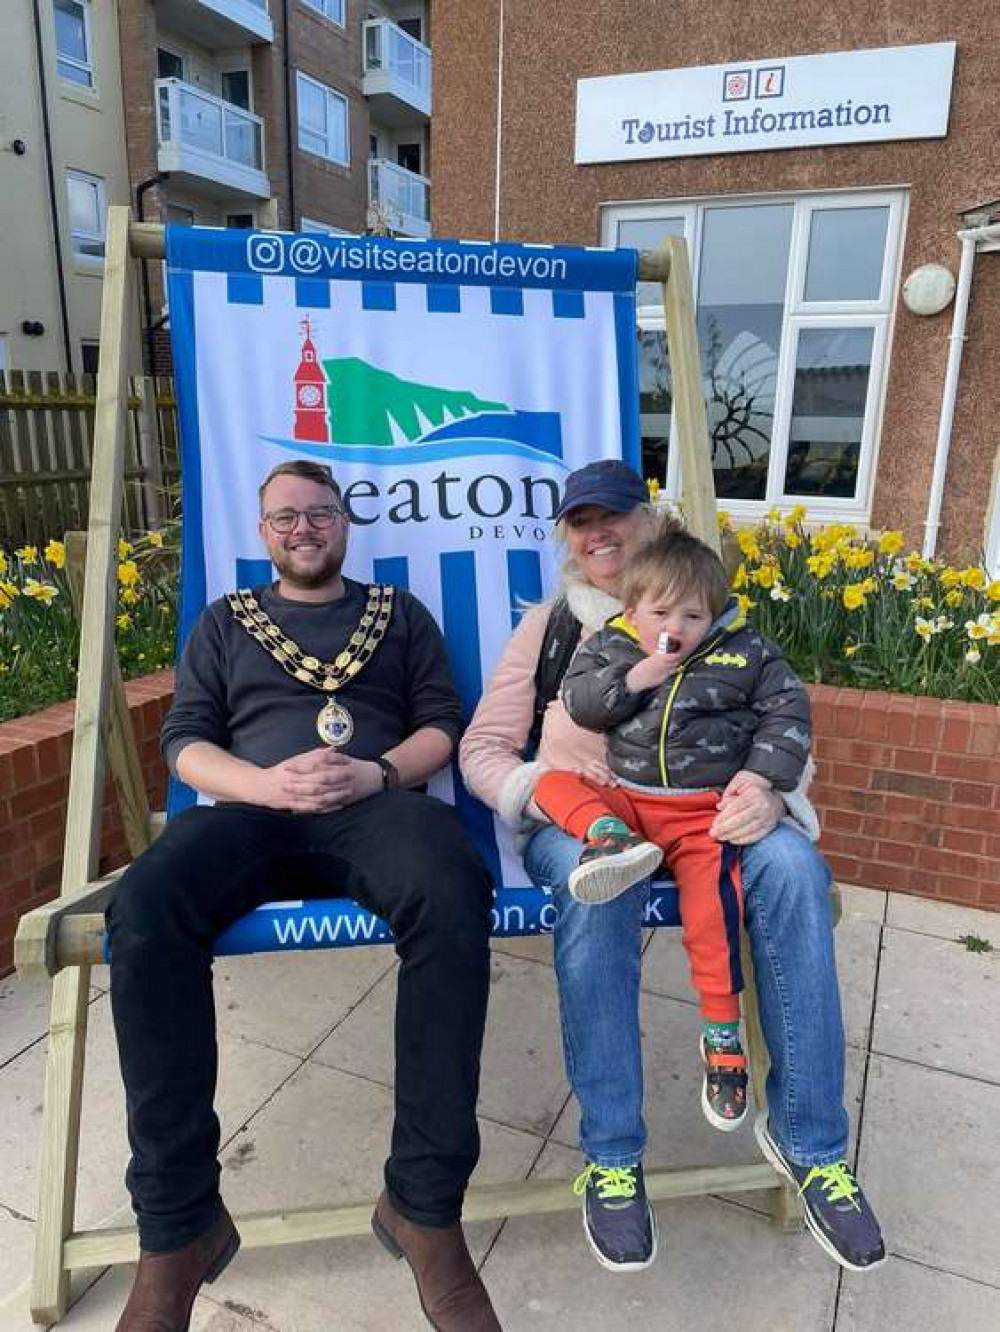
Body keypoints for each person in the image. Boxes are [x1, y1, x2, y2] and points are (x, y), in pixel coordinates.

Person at [460, 458, 884, 1276]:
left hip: (708, 817)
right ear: (568, 541)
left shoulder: (717, 623)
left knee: (796, 871)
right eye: (582, 524)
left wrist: (771, 790)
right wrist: (536, 792)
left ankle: (810, 1143)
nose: (599, 534)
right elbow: (484, 746)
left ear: (654, 523)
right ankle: (613, 1157)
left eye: (613, 515)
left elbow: (783, 721)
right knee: (597, 898)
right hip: (591, 823)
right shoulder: (554, 627)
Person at [108, 459, 500, 1332]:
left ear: (344, 522)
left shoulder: (399, 616)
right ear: (263, 534)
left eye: (319, 512)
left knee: (452, 886)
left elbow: (444, 722)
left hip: (377, 808)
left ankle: (424, 1207)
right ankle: (179, 1228)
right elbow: (184, 743)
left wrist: (377, 772)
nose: (303, 529)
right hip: (250, 811)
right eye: (284, 517)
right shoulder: (225, 622)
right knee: (142, 911)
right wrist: (262, 786)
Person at [533, 524, 811, 1133]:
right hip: (628, 798)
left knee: (712, 917)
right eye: (661, 612)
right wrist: (638, 676)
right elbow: (581, 702)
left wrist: (763, 780)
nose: (677, 628)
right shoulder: (613, 645)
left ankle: (721, 1033)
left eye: (693, 615)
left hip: (699, 812)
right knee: (546, 785)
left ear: (714, 615)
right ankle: (611, 838)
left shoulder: (746, 653)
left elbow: (787, 712)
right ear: (631, 610)